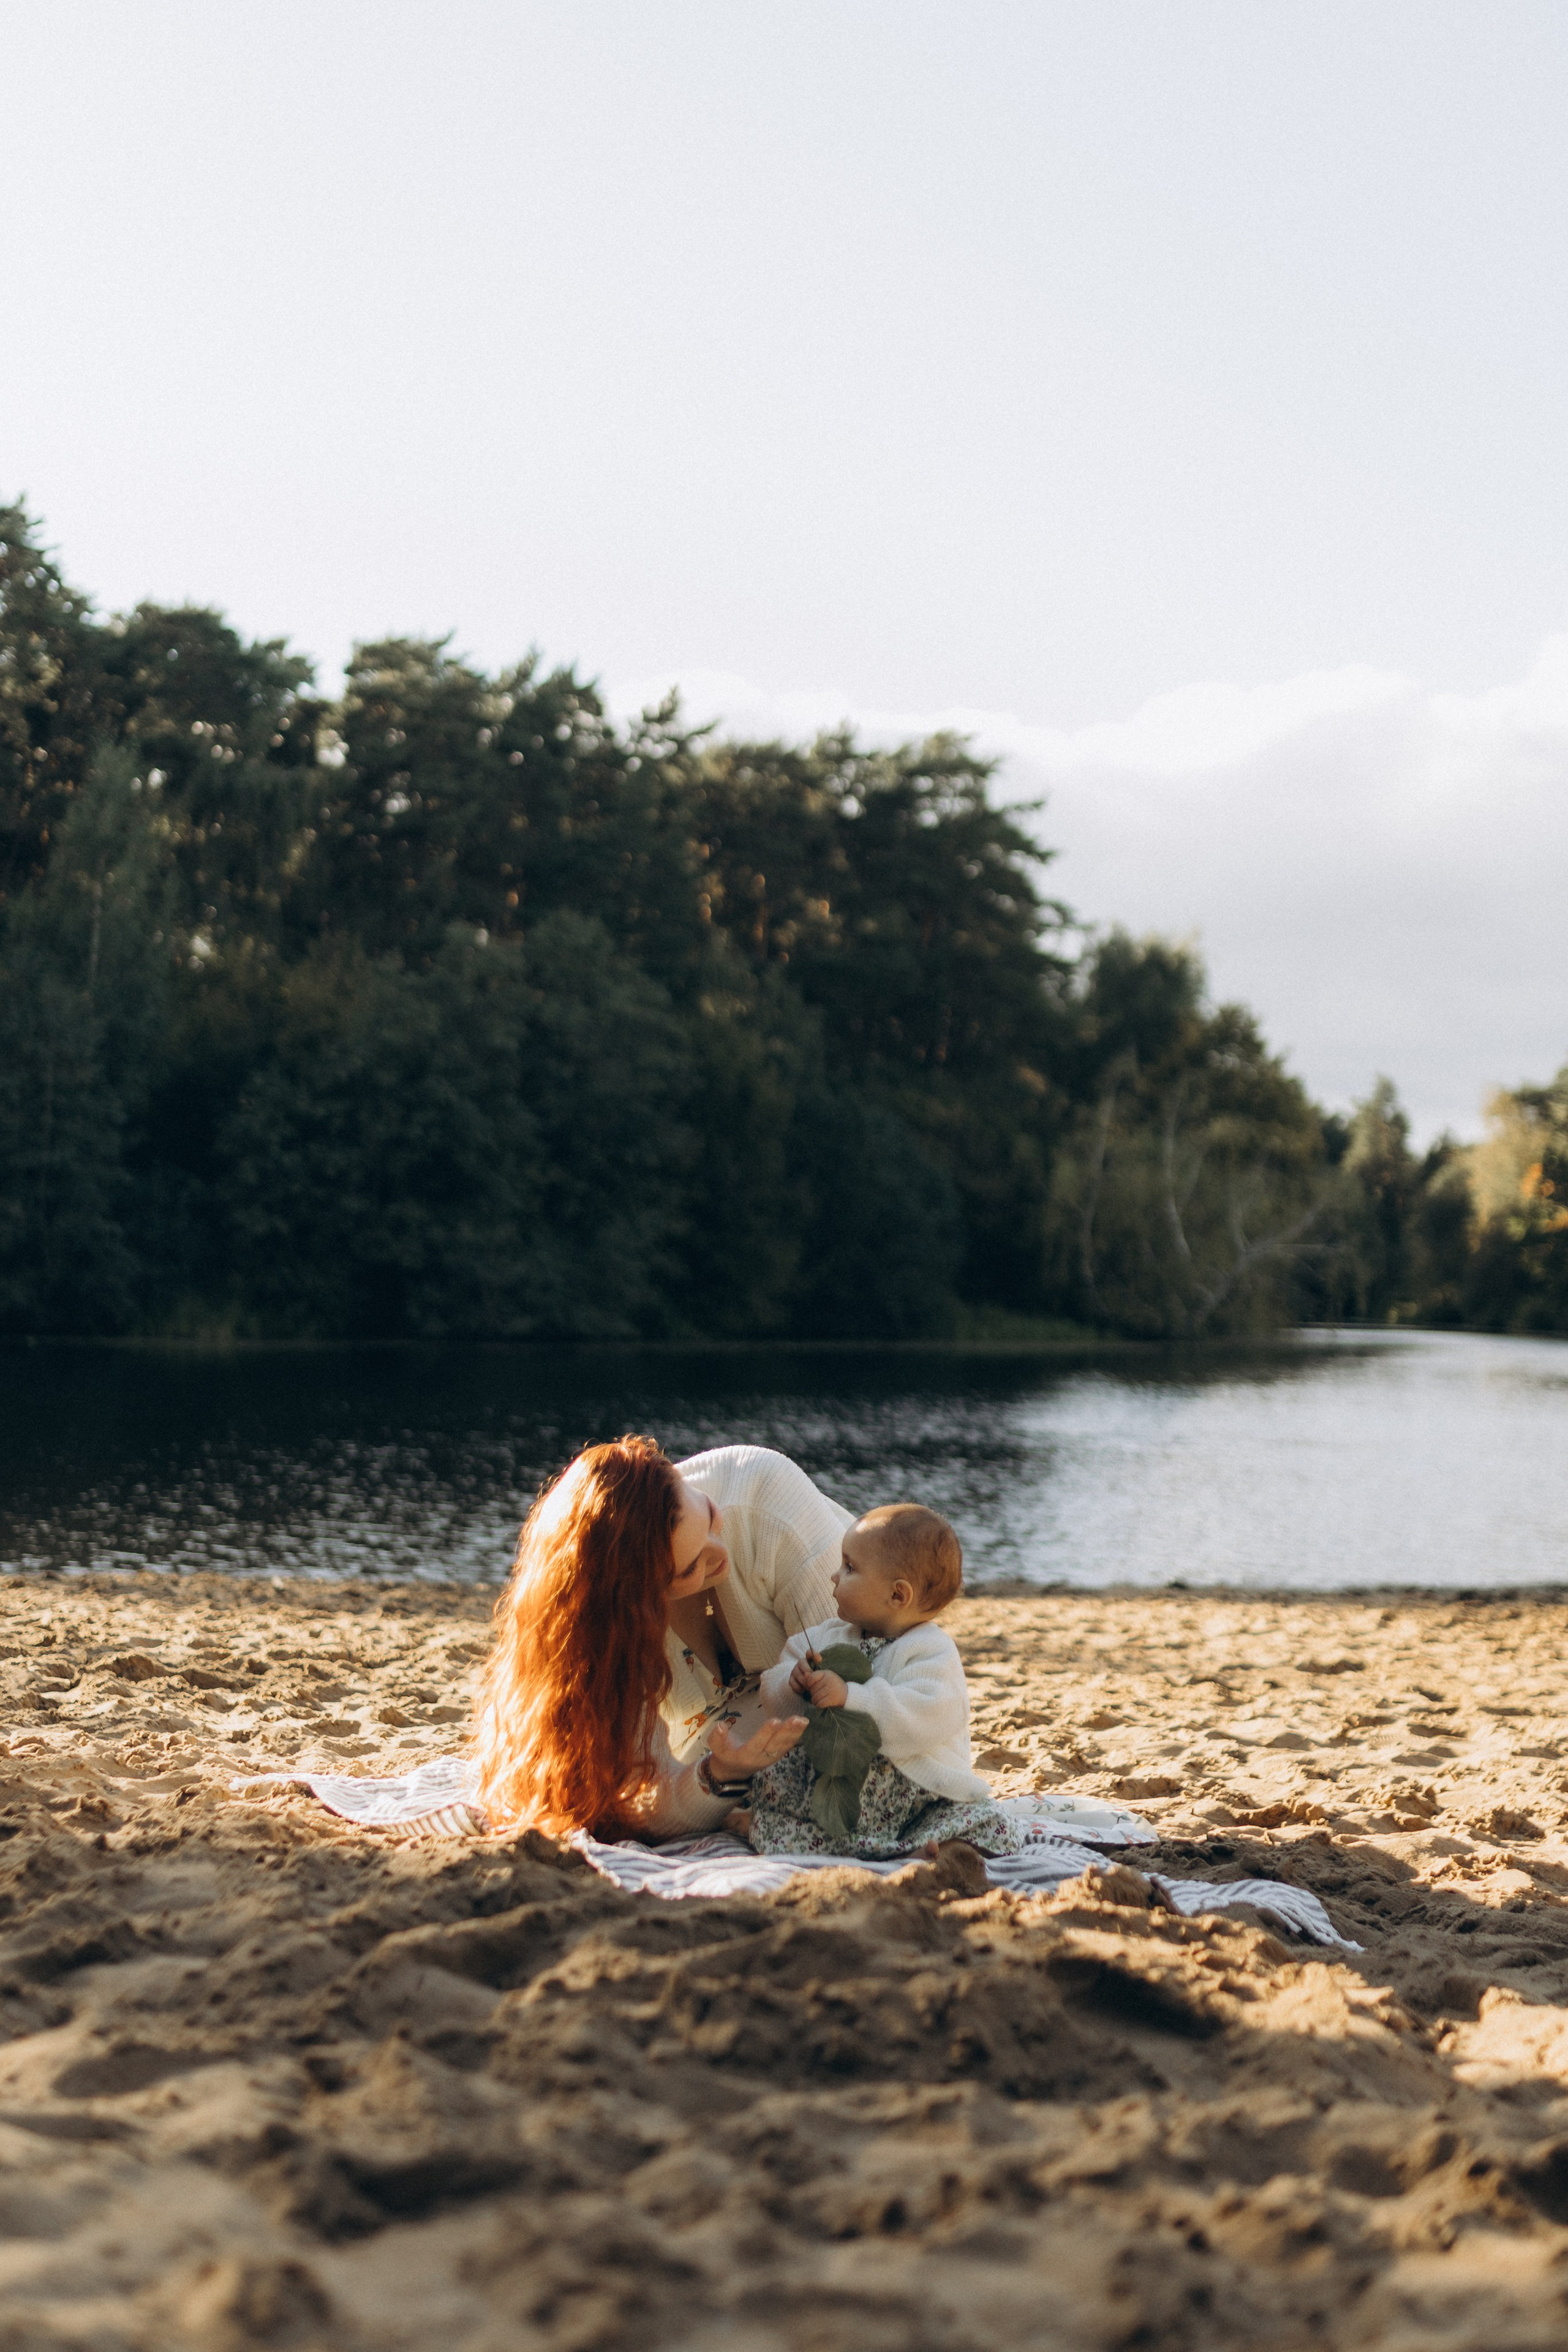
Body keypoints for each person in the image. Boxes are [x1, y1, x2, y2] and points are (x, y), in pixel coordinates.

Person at [472, 1435, 838, 1838]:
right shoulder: (616, 1625)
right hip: (731, 1745)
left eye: (710, 1514)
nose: (721, 1555)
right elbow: (638, 1798)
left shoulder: (766, 1495)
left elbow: (859, 1672)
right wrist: (721, 1775)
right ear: (638, 1594)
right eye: (689, 1569)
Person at [734, 1502, 1023, 1860]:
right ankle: (894, 1851)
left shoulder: (931, 1650)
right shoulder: (830, 1635)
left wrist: (851, 1698)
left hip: (914, 1797)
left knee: (991, 1822)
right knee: (780, 1811)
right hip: (835, 1791)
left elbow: (927, 1716)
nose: (834, 1576)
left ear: (897, 1595)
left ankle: (927, 1848)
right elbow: (775, 1701)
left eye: (849, 1567)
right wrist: (791, 1682)